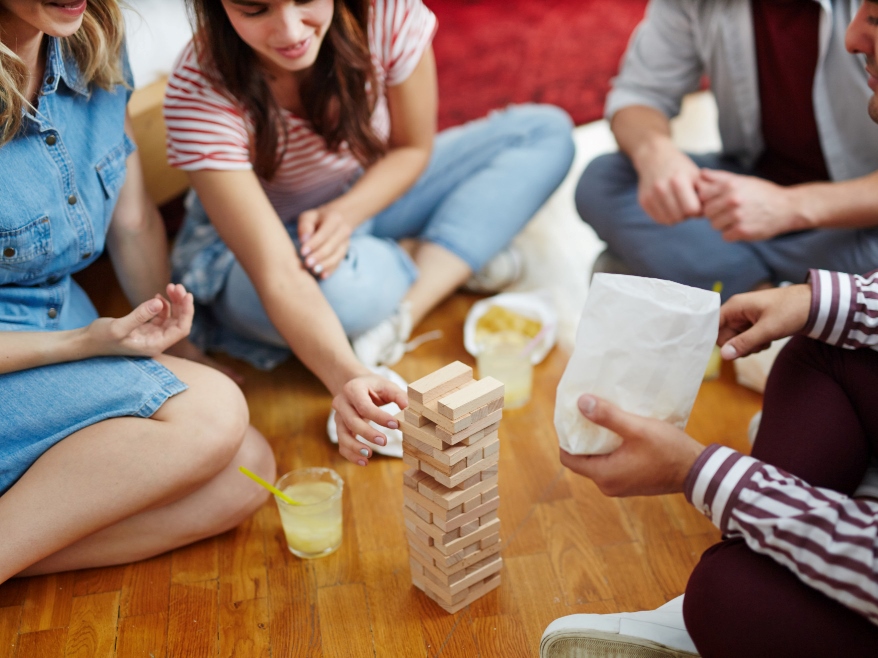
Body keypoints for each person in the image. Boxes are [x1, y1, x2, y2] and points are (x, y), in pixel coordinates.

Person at [543, 0, 878, 655]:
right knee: (822, 332)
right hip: (756, 206)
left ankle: (701, 276)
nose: (855, 37)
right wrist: (819, 301)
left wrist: (697, 470)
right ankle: (854, 511)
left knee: (723, 596)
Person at [163, 0, 575, 462]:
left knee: (546, 133)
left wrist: (346, 214)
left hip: (363, 191)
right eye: (256, 10)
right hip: (257, 251)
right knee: (340, 297)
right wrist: (347, 375)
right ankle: (442, 253)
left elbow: (412, 149)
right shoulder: (198, 89)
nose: (290, 30)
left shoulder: (387, 12)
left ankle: (400, 312)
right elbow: (278, 274)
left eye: (304, 0)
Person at [0, 0, 275, 583]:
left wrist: (179, 346)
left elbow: (131, 222)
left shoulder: (92, 38)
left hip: (60, 345)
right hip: (23, 360)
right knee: (214, 413)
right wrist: (82, 343)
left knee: (247, 471)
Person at [576, 0, 878, 301]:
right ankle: (794, 295)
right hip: (748, 188)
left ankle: (711, 276)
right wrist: (656, 154)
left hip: (862, 214)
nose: (857, 39)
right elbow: (638, 93)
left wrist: (791, 206)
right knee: (603, 180)